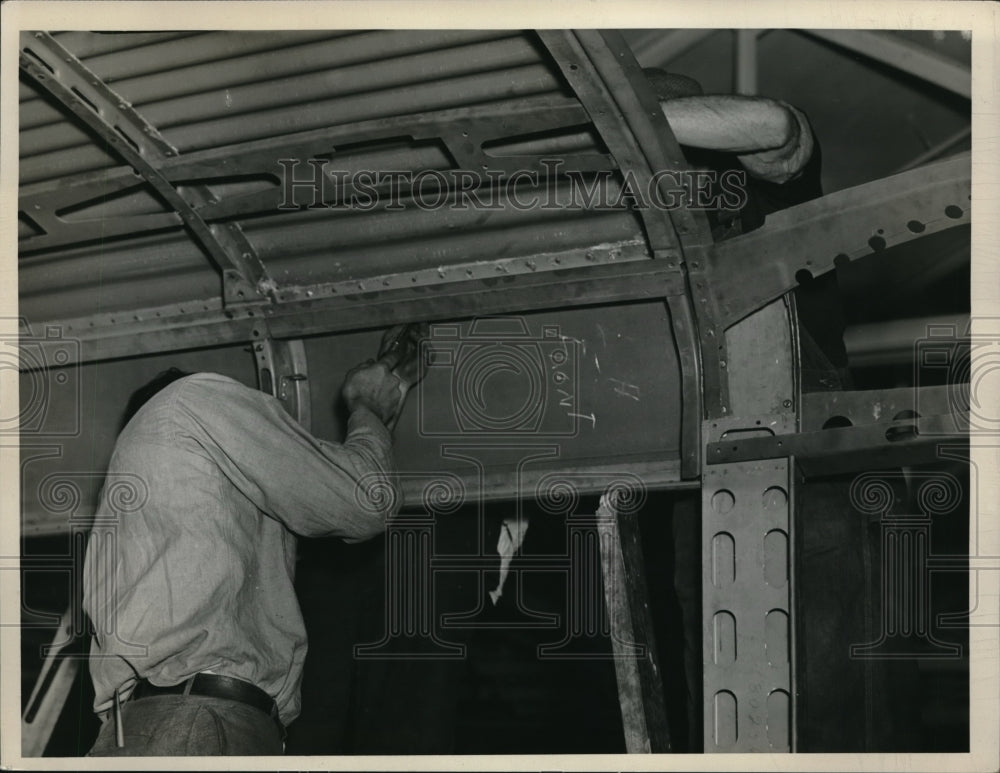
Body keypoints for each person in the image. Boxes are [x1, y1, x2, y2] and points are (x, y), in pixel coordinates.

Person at [83, 345, 415, 756]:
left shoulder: (122, 512)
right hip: (200, 721)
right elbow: (366, 501)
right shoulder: (193, 398)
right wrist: (368, 409)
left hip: (128, 733)